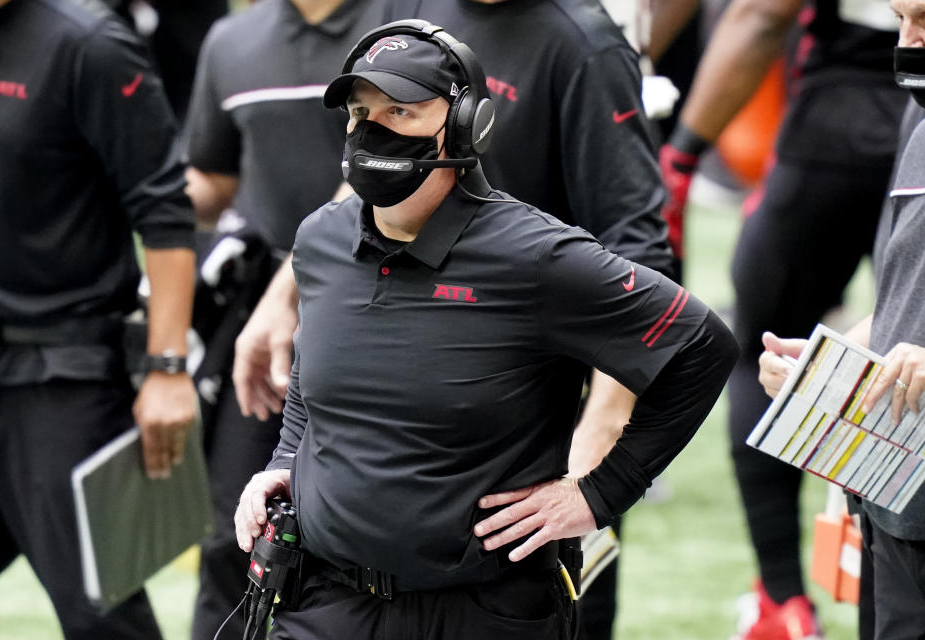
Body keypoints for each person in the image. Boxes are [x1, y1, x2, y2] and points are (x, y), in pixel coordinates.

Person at [233, 19, 738, 640]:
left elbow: (700, 346)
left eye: (401, 111)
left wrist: (602, 492)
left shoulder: (536, 257)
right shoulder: (320, 240)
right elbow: (316, 366)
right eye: (360, 111)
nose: (372, 129)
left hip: (485, 613)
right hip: (326, 603)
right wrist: (286, 460)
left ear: (468, 125)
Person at [339, 3, 678, 635]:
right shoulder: (409, 9)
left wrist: (598, 440)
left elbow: (638, 248)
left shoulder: (584, 43)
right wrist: (283, 299)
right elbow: (370, 166)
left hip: (534, 406)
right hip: (413, 375)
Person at [657, 0, 908, 636]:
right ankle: (882, 592)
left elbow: (763, 12)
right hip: (890, 129)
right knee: (905, 341)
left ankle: (782, 598)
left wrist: (683, 153)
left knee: (765, 347)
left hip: (836, 128)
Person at [0, 0, 197, 638]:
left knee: (103, 621)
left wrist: (167, 368)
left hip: (61, 377)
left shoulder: (89, 43)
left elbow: (167, 215)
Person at [182, 1, 385, 637]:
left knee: (363, 541)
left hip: (378, 303)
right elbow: (213, 181)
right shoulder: (231, 39)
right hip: (258, 328)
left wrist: (289, 289)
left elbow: (379, 170)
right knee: (232, 537)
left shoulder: (403, 20)